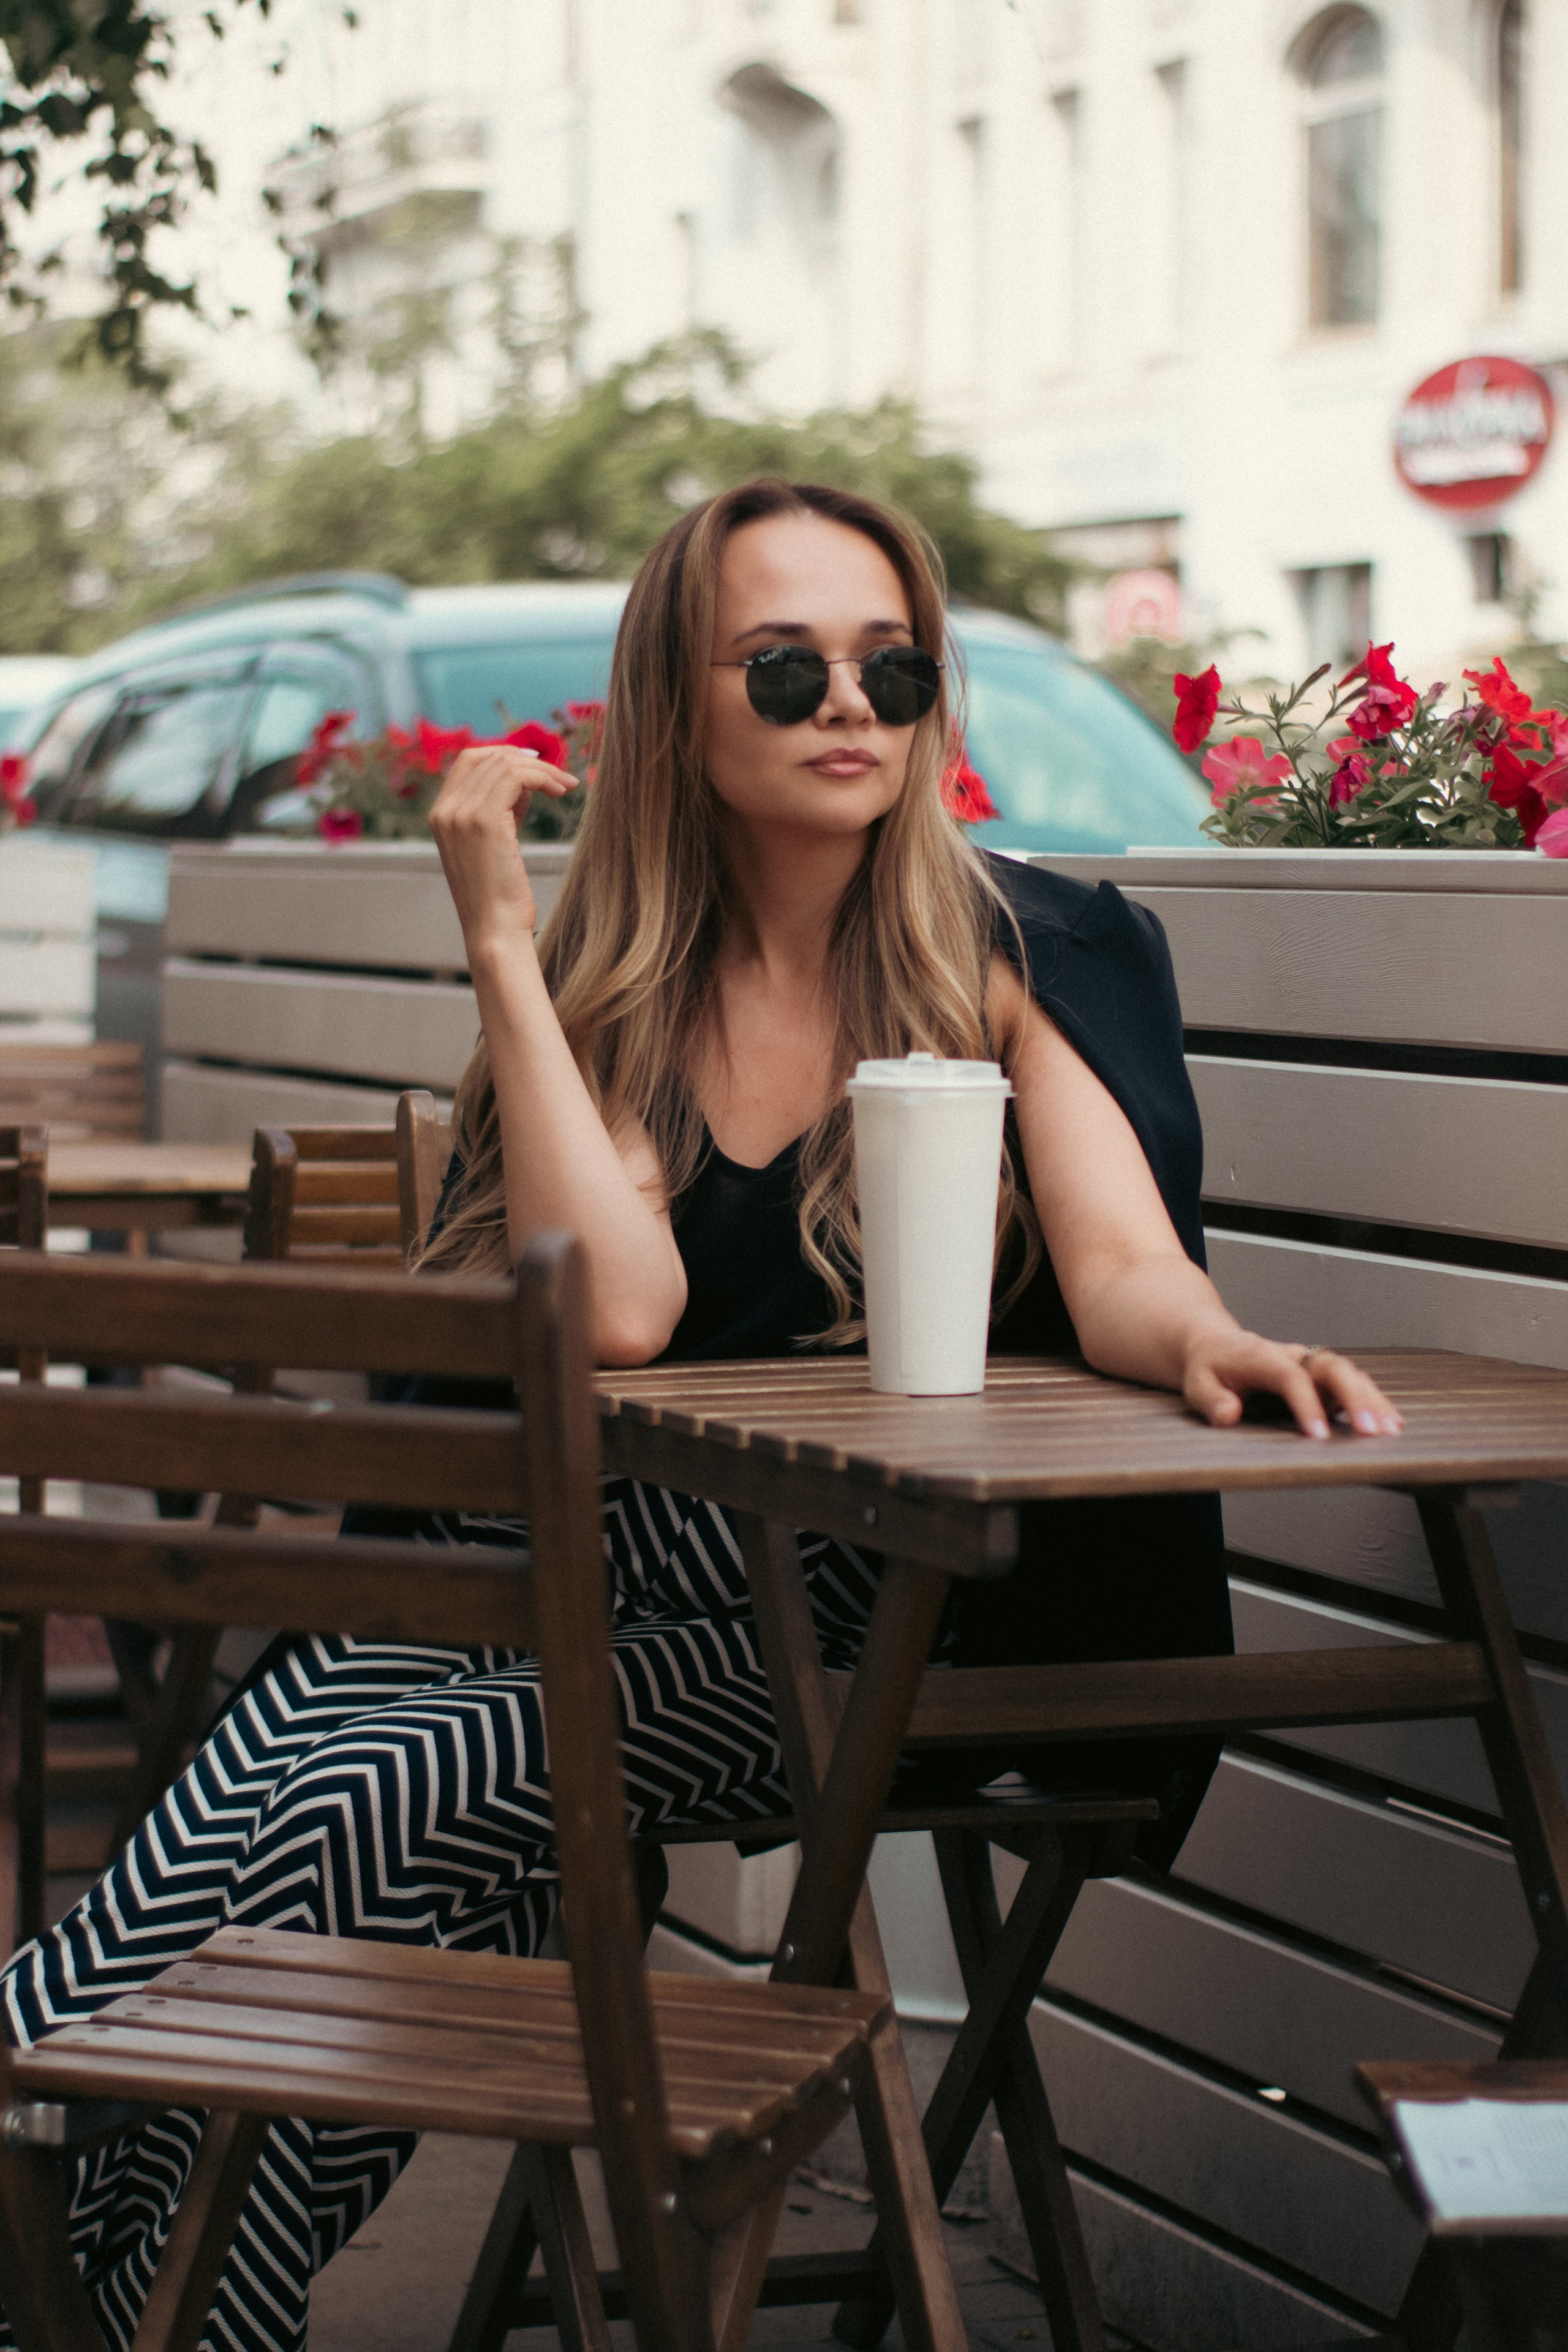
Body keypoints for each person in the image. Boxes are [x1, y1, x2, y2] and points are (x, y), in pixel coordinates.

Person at [0, 480, 1400, 2352]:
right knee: (375, 1795)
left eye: (894, 664)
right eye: (790, 662)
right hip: (602, 1602)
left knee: (373, 1767)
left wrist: (1213, 1343)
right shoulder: (625, 994)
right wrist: (506, 940)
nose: (852, 703)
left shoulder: (1028, 948)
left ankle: (40, 2135)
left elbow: (1122, 1260)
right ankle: (132, 2304)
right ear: (680, 698)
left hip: (884, 1616)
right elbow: (630, 1311)